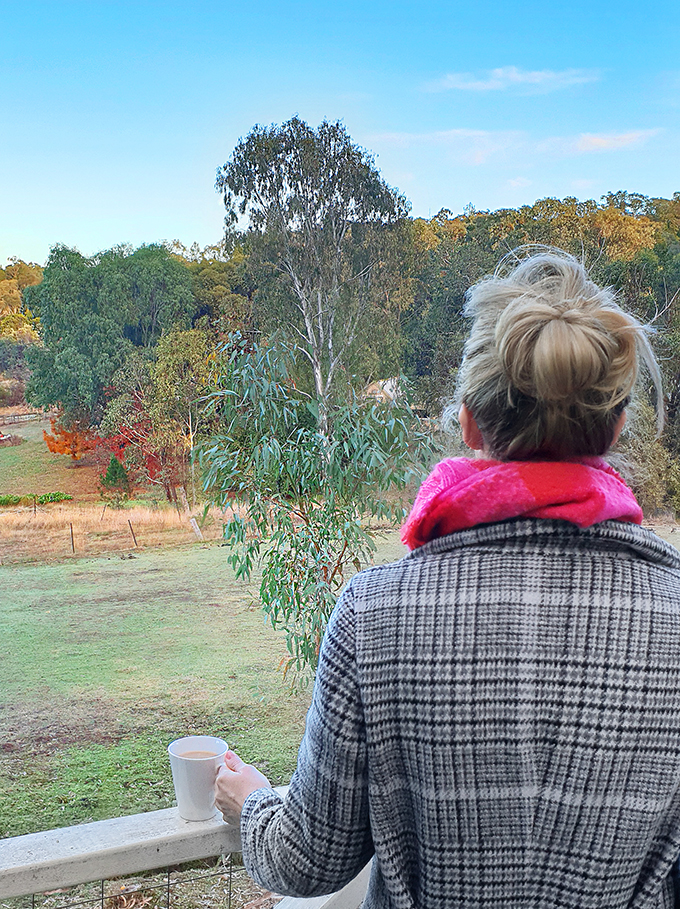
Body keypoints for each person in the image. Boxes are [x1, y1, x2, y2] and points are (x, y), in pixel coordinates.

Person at [215, 249, 680, 909]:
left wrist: (255, 802)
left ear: (468, 420)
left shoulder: (373, 613)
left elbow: (306, 859)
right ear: (618, 424)